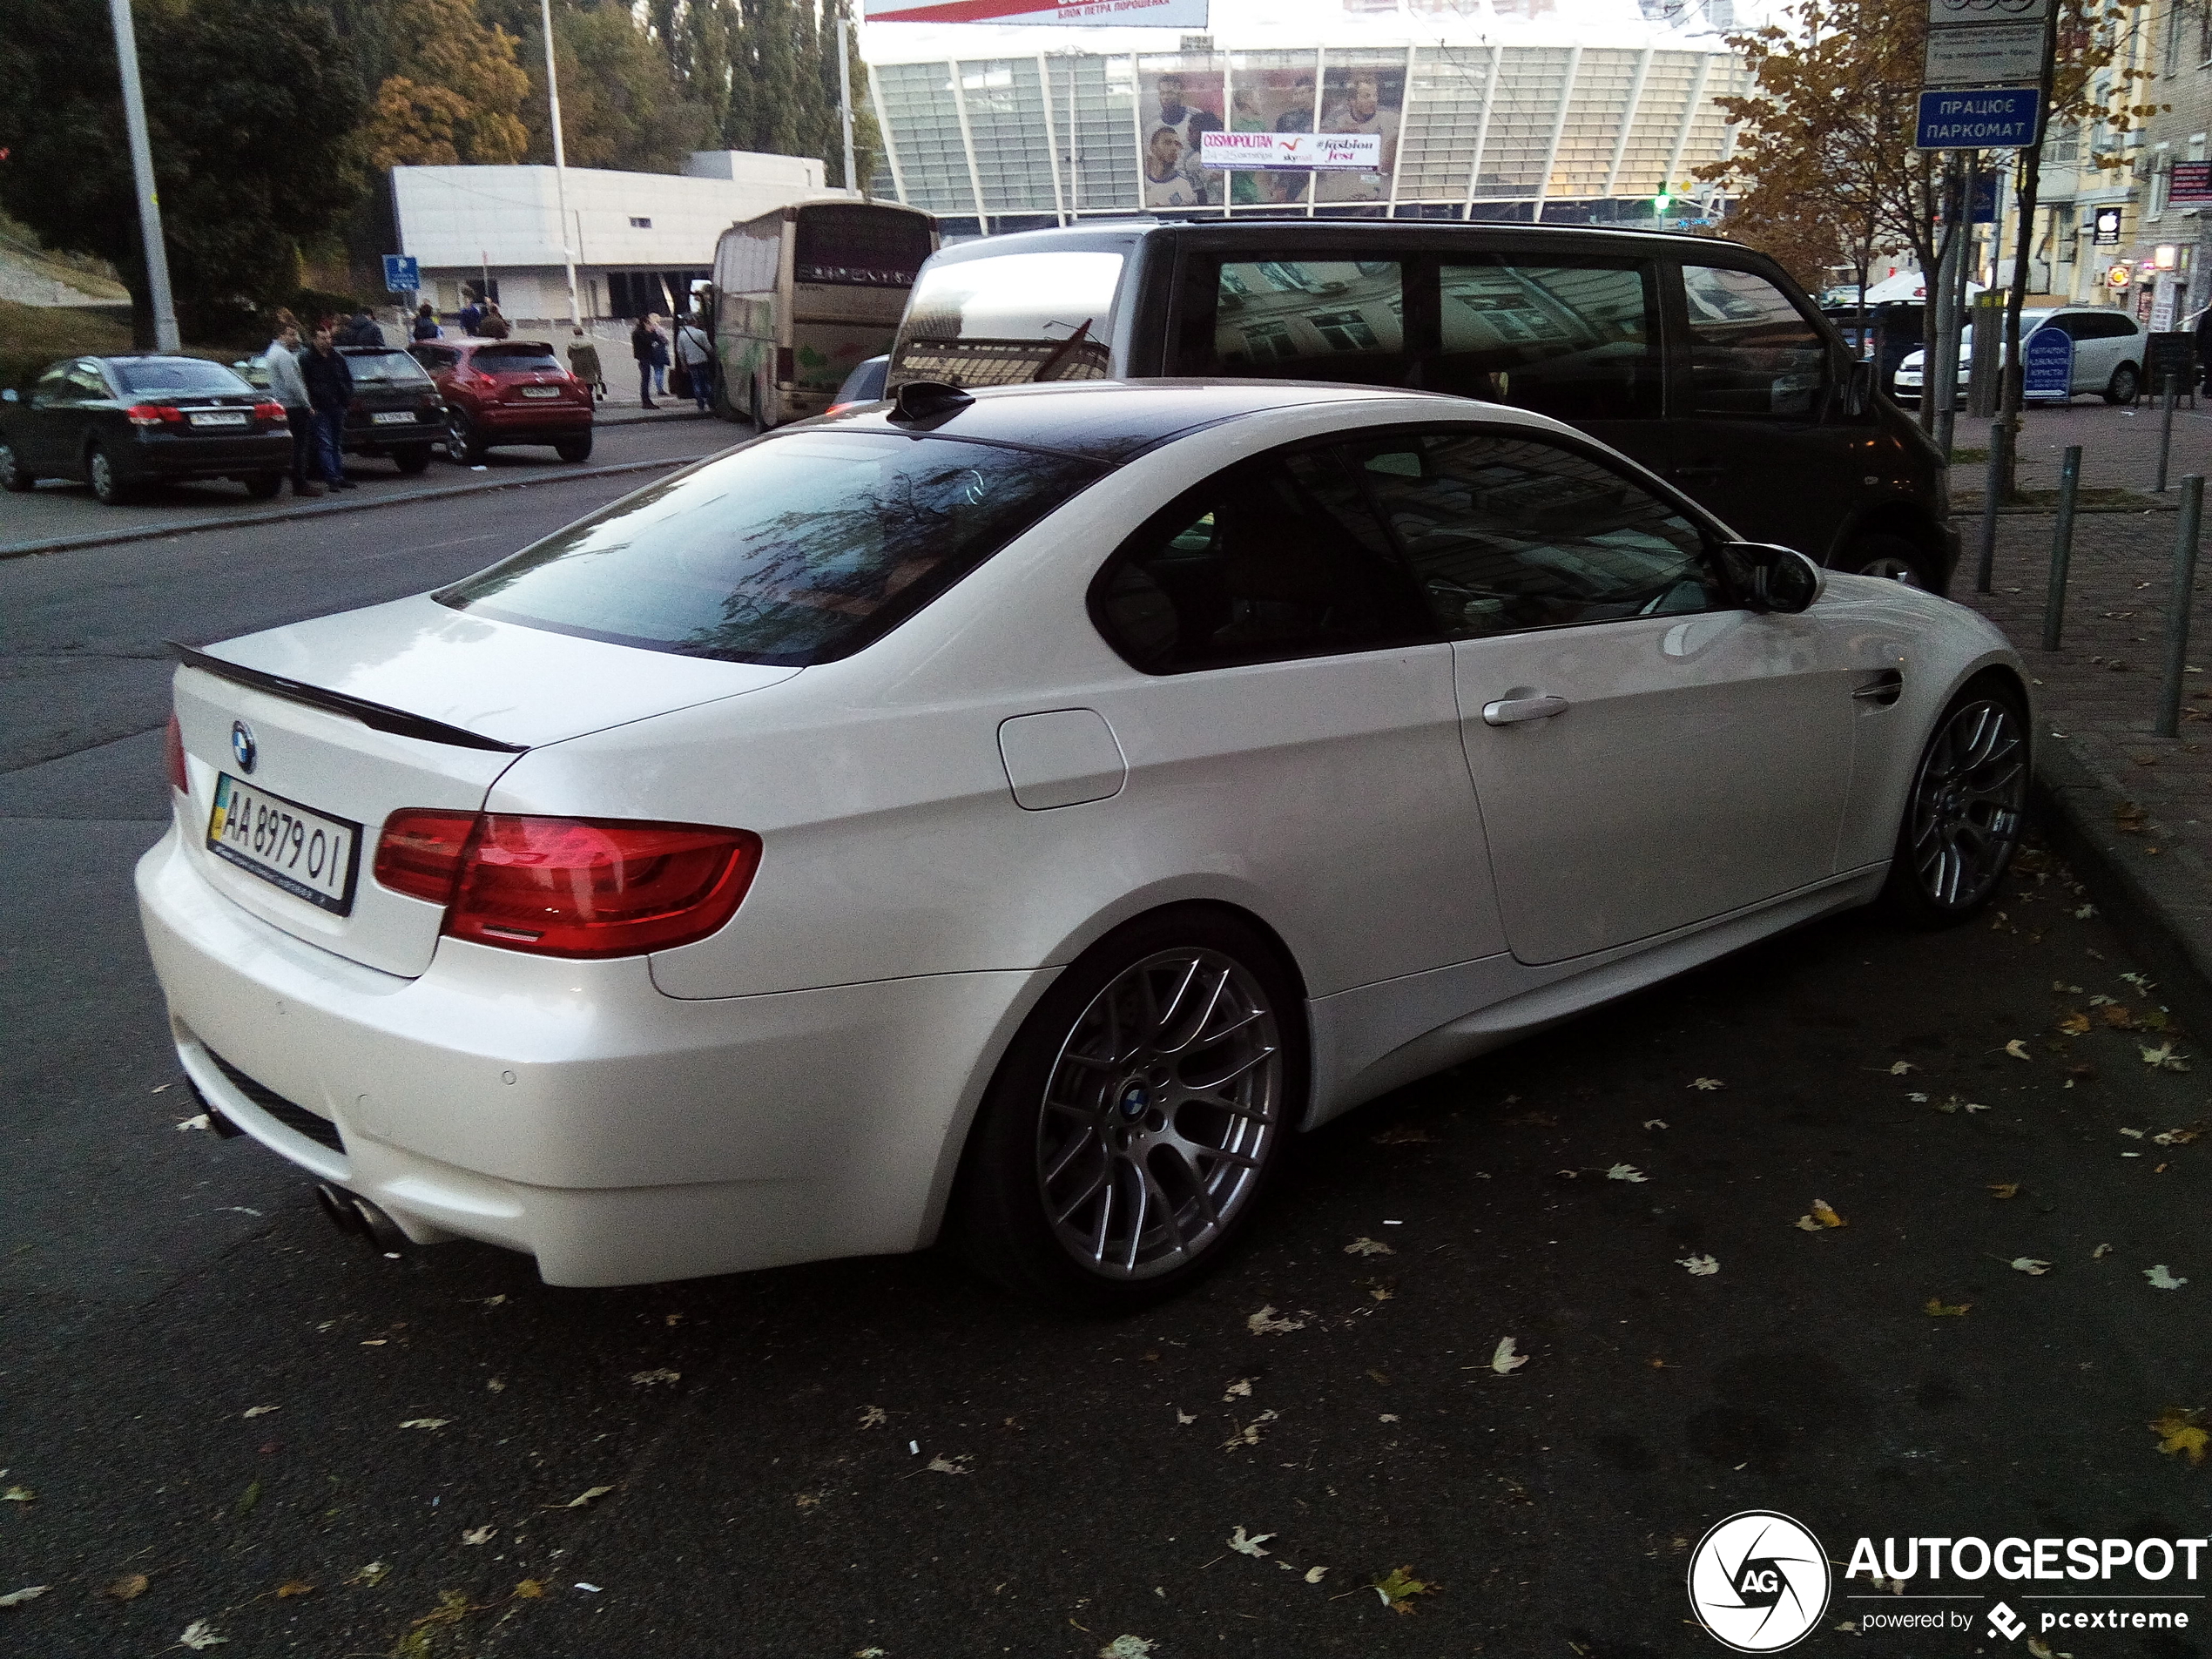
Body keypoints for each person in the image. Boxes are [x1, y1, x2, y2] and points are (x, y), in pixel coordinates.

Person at [260, 320, 320, 496]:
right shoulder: (283, 356)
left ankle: (298, 481)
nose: (296, 338)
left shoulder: (271, 353)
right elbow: (294, 384)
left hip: (281, 403)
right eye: (291, 334)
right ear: (281, 335)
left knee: (294, 445)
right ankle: (300, 483)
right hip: (293, 405)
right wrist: (307, 404)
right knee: (300, 446)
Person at [297, 325, 356, 490]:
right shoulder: (307, 359)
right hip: (319, 406)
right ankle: (332, 478)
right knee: (325, 443)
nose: (327, 341)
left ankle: (339, 476)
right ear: (315, 340)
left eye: (329, 338)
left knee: (337, 442)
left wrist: (346, 397)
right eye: (323, 338)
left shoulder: (336, 357)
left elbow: (346, 378)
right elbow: (305, 383)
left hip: (337, 404)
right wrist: (310, 403)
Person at [1143, 128, 1199, 209]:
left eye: (1177, 144)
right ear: (1153, 148)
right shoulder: (1142, 184)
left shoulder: (1185, 185)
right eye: (1167, 143)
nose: (1174, 148)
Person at [675, 314, 714, 410]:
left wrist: (683, 364)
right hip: (703, 361)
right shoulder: (700, 333)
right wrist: (712, 355)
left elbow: (680, 351)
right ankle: (710, 403)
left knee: (696, 383)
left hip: (691, 362)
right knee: (706, 382)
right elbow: (708, 348)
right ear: (694, 322)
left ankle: (700, 405)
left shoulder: (681, 335)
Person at [631, 313, 667, 406]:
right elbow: (648, 342)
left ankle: (646, 399)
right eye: (649, 323)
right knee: (645, 379)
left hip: (646, 357)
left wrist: (653, 332)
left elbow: (657, 340)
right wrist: (651, 332)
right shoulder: (639, 333)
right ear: (644, 323)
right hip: (643, 357)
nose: (651, 325)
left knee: (647, 378)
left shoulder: (640, 332)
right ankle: (645, 400)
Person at [568, 327, 605, 401]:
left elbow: (569, 355)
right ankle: (590, 401)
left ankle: (583, 399)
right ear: (582, 333)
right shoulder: (589, 344)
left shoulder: (571, 344)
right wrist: (598, 372)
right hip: (589, 367)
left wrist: (576, 360)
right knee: (589, 385)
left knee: (580, 384)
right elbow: (594, 358)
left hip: (577, 367)